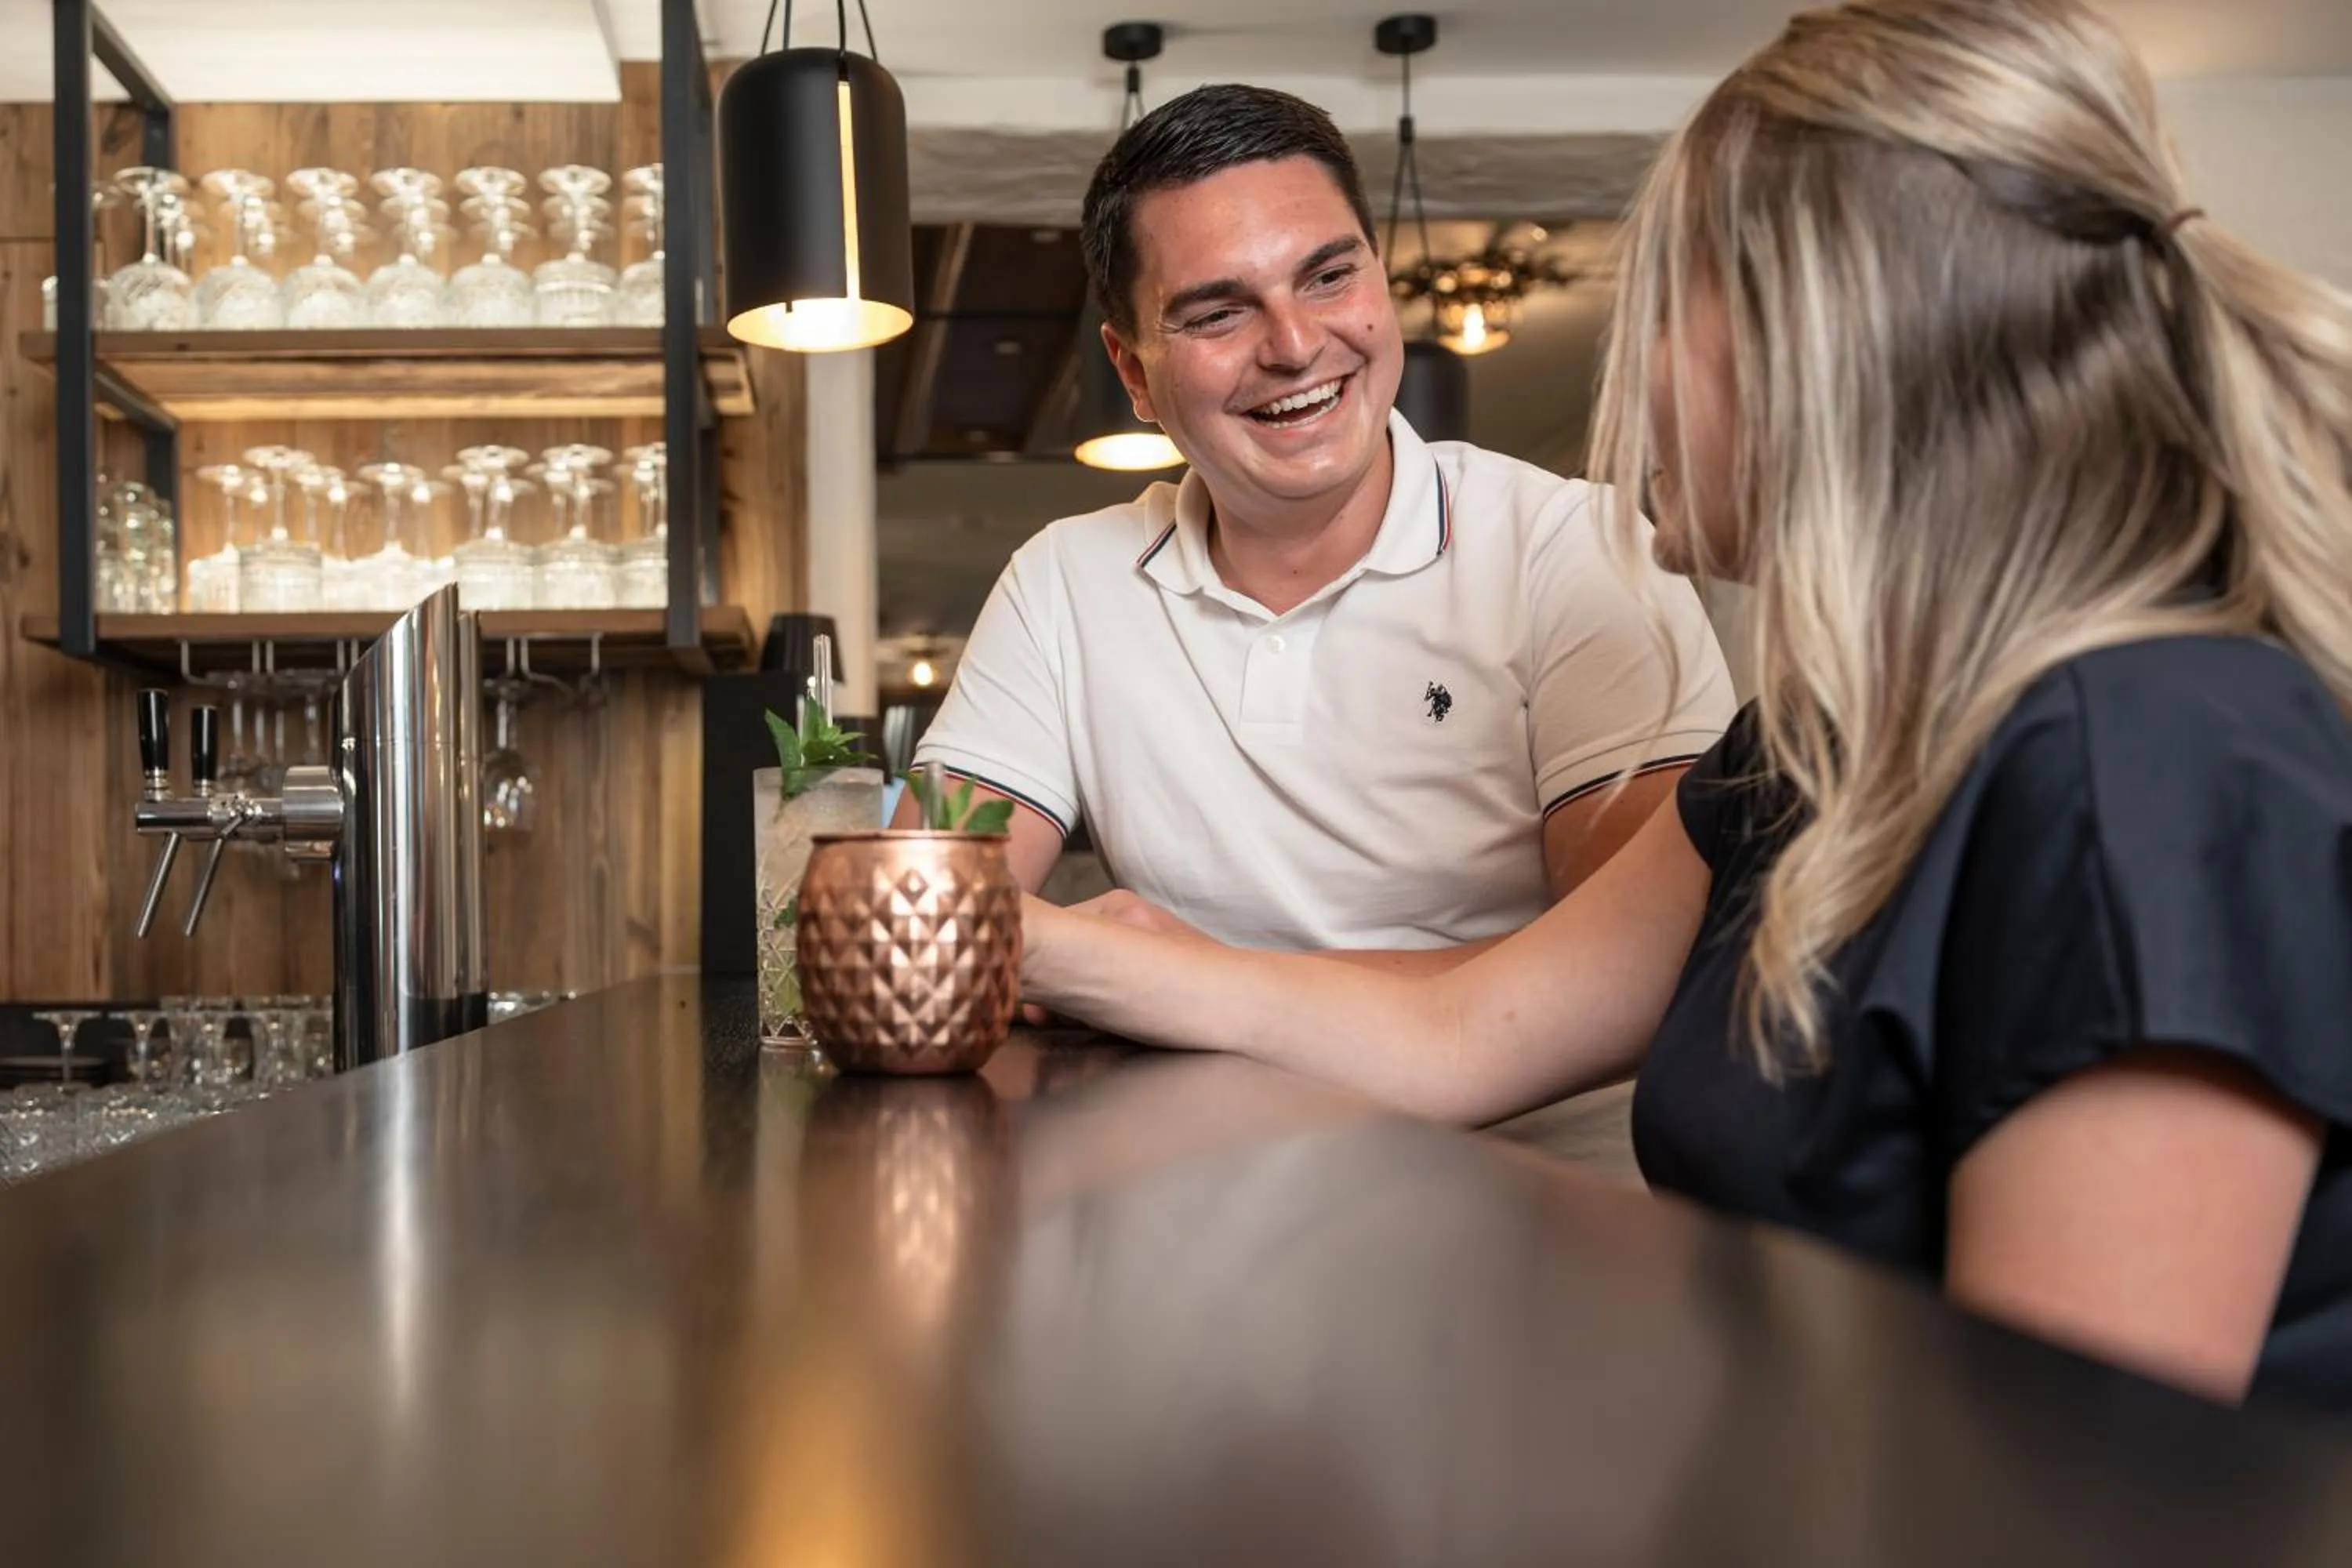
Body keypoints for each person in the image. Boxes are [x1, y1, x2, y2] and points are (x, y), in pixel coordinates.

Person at [1020, 0, 2352, 1413]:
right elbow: (1456, 1036)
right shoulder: (1805, 751)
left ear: (1830, 347)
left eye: (1668, 310)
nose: (1630, 366)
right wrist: (1040, 944)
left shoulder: (2144, 769)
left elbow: (2068, 1480)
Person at [903, 85, 1733, 971]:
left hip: (1499, 1084)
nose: (1295, 346)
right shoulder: (1062, 584)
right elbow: (920, 929)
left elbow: (1643, 965)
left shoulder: (1576, 548)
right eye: (1218, 313)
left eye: (1329, 277)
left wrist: (1175, 981)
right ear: (1133, 373)